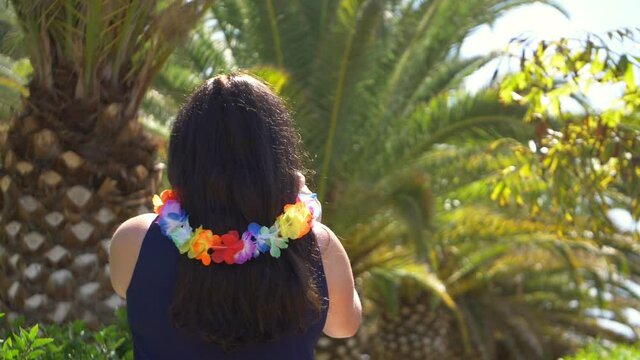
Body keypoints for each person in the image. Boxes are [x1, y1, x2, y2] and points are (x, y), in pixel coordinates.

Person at [109, 73, 361, 359]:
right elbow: (344, 325)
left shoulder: (134, 240)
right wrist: (305, 218)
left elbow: (123, 286)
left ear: (183, 157)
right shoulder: (319, 246)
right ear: (278, 161)